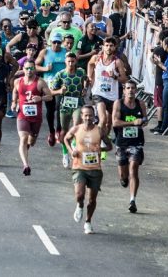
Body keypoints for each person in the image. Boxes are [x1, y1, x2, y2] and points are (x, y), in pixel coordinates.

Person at [65, 105, 112, 235]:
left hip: (95, 169)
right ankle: (80, 205)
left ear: (94, 116)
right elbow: (65, 139)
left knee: (92, 200)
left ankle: (88, 222)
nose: (88, 117)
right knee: (79, 194)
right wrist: (71, 151)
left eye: (90, 115)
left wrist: (99, 150)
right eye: (85, 115)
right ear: (82, 116)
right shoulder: (76, 129)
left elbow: (109, 146)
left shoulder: (100, 131)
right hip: (79, 167)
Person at [112, 80, 148, 213]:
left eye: (133, 88)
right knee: (124, 176)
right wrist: (133, 122)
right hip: (121, 142)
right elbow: (115, 123)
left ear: (136, 90)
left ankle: (132, 200)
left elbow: (145, 120)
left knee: (134, 169)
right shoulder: (118, 104)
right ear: (124, 90)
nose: (130, 90)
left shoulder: (141, 104)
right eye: (128, 88)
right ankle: (124, 179)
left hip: (136, 143)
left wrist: (142, 122)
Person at [12, 60, 53, 175]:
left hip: (36, 117)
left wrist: (40, 98)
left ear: (34, 69)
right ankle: (26, 165)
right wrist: (14, 102)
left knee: (32, 141)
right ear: (23, 69)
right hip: (22, 115)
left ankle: (25, 149)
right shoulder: (17, 81)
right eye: (27, 68)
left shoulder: (40, 82)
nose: (29, 71)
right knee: (23, 139)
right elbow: (15, 92)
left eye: (31, 68)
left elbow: (49, 96)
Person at [49, 52, 89, 168]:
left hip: (78, 103)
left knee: (76, 125)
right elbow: (51, 90)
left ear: (76, 61)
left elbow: (87, 80)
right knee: (64, 130)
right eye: (69, 61)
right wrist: (59, 91)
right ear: (65, 62)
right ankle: (65, 153)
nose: (71, 64)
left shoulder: (81, 72)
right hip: (65, 105)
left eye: (73, 61)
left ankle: (74, 143)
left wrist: (85, 88)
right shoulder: (60, 74)